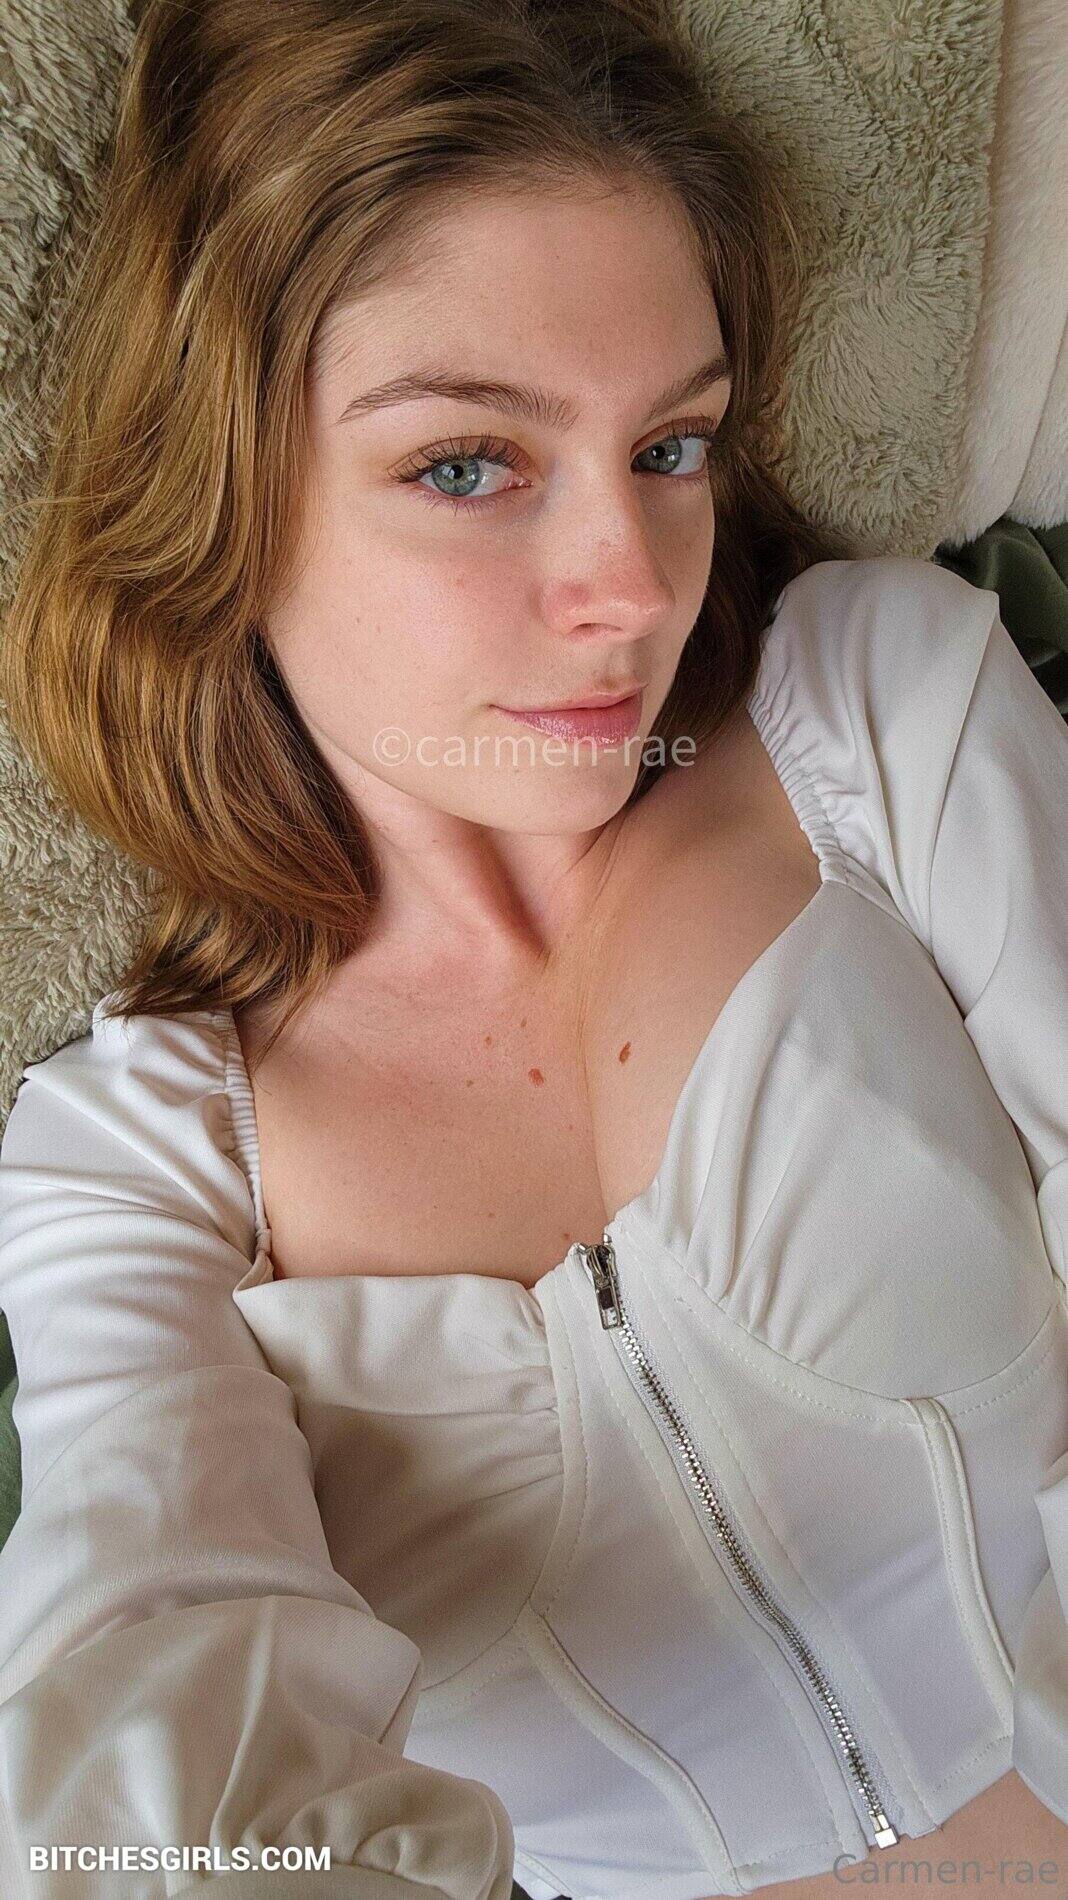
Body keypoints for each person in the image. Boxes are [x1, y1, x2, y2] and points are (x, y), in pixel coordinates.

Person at [0, 0, 1065, 1895]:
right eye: (468, 464)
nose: (633, 588)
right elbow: (136, 1728)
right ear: (223, 486)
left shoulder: (880, 721)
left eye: (670, 443)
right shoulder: (133, 1160)